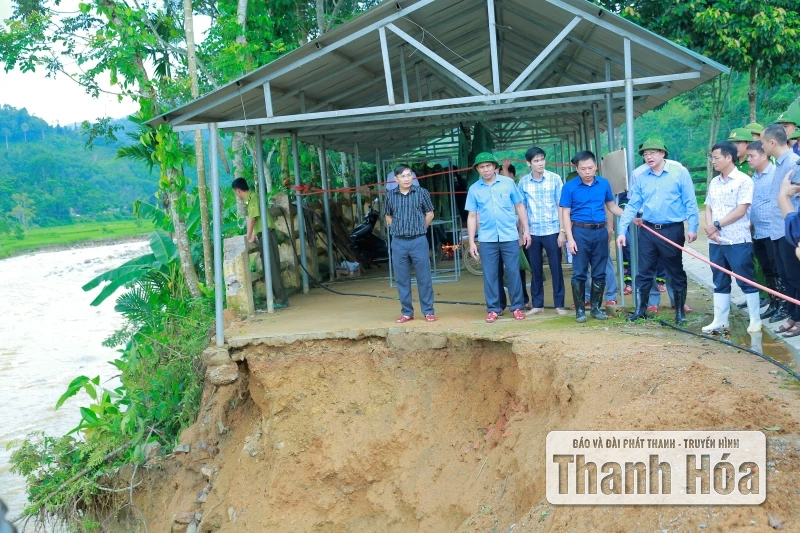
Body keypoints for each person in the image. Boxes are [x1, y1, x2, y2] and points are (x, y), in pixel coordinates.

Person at [617, 138, 699, 325]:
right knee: (644, 271)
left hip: (672, 229)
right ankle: (641, 310)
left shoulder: (679, 172)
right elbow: (632, 205)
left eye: (652, 153)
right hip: (648, 229)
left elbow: (690, 201)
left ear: (662, 153)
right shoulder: (642, 177)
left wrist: (692, 227)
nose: (649, 157)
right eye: (645, 154)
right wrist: (622, 231)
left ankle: (679, 310)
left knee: (675, 270)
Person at [701, 141, 760, 333]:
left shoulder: (744, 180)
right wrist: (710, 227)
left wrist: (717, 224)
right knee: (719, 279)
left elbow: (741, 210)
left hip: (737, 239)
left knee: (745, 278)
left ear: (728, 157)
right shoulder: (714, 182)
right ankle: (720, 319)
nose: (713, 161)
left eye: (716, 158)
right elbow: (708, 206)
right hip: (715, 240)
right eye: (712, 158)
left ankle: (755, 319)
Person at [466, 152, 531, 323]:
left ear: (495, 167)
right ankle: (494, 309)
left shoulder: (508, 183)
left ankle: (517, 307)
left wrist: (526, 230)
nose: (485, 169)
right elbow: (472, 216)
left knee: (513, 272)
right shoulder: (474, 189)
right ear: (477, 169)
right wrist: (472, 241)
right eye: (482, 167)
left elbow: (519, 206)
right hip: (487, 238)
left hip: (509, 236)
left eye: (488, 166)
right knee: (490, 274)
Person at [560, 150, 623, 323]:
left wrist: (630, 217)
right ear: (577, 169)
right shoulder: (569, 187)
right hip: (580, 232)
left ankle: (595, 308)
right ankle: (580, 310)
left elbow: (612, 207)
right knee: (579, 272)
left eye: (590, 168)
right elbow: (565, 214)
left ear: (596, 166)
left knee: (599, 271)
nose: (587, 172)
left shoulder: (603, 184)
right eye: (583, 169)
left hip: (600, 231)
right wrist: (570, 239)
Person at [517, 146, 568, 315]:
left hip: (552, 230)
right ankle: (537, 304)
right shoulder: (523, 182)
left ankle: (559, 304)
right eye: (536, 161)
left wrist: (562, 231)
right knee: (535, 269)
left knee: (556, 268)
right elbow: (522, 209)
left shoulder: (555, 179)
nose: (540, 163)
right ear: (529, 163)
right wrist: (523, 232)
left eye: (542, 159)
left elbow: (561, 206)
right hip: (532, 232)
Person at [384, 164, 436, 323]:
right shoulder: (390, 195)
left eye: (409, 175)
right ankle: (407, 312)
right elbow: (388, 216)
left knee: (424, 277)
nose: (406, 179)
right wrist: (397, 228)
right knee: (402, 279)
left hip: (418, 240)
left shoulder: (422, 192)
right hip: (398, 242)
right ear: (396, 179)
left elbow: (430, 214)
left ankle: (428, 311)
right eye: (403, 176)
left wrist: (421, 228)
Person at [762, 124, 800, 336]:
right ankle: (793, 315)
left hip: (790, 229)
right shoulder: (779, 164)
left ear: (772, 142)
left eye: (763, 143)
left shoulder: (793, 162)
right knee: (786, 276)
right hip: (777, 229)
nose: (762, 147)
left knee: (796, 276)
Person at [231, 178, 288, 309]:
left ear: (238, 191)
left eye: (235, 192)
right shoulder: (252, 198)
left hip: (266, 235)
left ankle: (281, 300)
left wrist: (248, 238)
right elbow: (258, 220)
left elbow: (252, 220)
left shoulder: (253, 198)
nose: (236, 195)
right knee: (270, 266)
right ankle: (279, 298)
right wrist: (254, 236)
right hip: (265, 234)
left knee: (271, 267)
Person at [746, 141, 781, 319]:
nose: (748, 159)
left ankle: (784, 306)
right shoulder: (754, 178)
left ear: (763, 155)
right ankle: (773, 303)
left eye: (752, 156)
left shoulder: (775, 174)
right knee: (767, 270)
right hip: (758, 231)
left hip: (773, 232)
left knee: (777, 270)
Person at [496, 160, 532, 311]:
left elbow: (520, 210)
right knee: (498, 271)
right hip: (496, 236)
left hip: (515, 233)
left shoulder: (513, 184)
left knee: (518, 269)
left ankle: (522, 300)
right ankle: (499, 304)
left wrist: (521, 233)